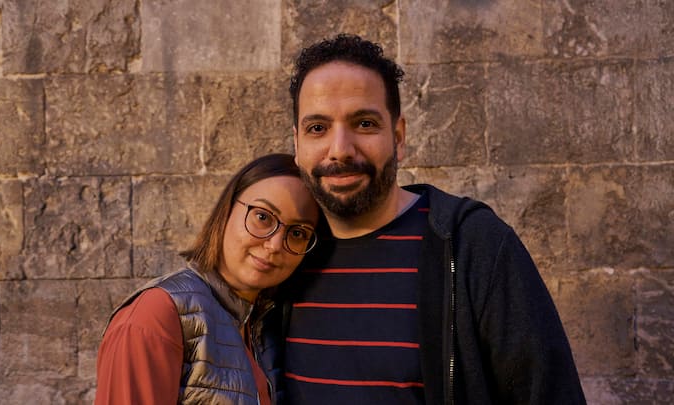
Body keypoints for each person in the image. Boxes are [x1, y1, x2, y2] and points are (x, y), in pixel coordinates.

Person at [280, 34, 586, 404]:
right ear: (297, 146)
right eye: (318, 128)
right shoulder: (283, 256)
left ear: (399, 136)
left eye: (364, 124)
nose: (340, 149)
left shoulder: (472, 246)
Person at [94, 153, 319, 405]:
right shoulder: (156, 315)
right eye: (263, 217)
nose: (275, 244)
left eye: (298, 232)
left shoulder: (263, 329)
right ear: (226, 211)